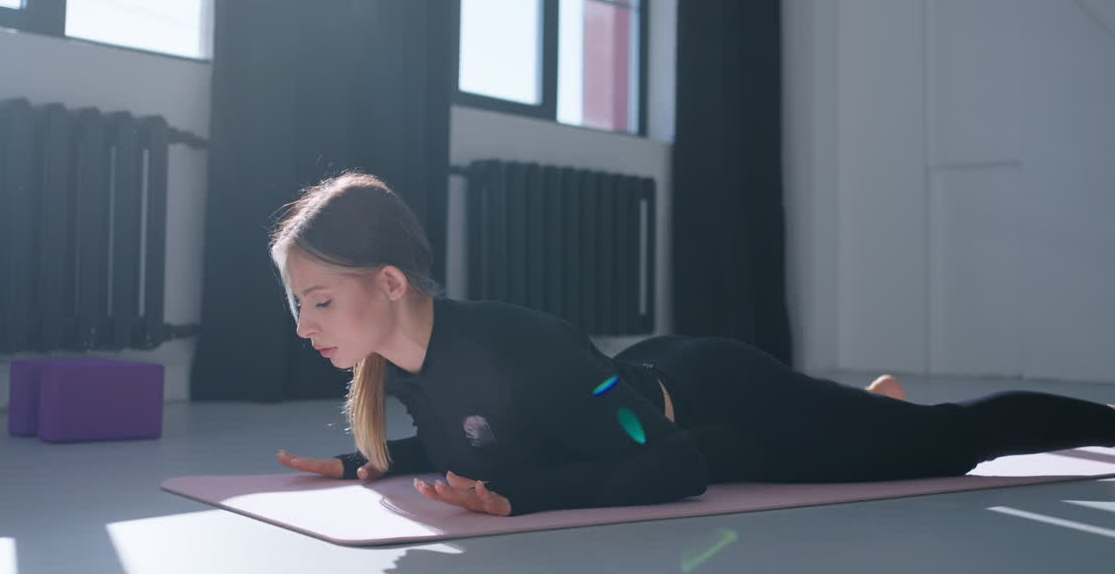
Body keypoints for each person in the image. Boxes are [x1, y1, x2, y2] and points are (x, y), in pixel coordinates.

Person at [271, 172, 1115, 517]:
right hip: (663, 401)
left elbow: (668, 464)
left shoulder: (520, 350)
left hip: (724, 403)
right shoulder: (414, 362)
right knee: (875, 432)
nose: (305, 327)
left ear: (387, 283)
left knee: (950, 442)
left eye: (320, 301)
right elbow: (477, 430)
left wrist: (521, 498)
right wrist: (362, 462)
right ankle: (871, 409)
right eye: (298, 306)